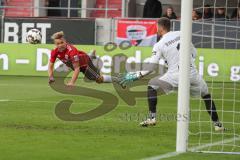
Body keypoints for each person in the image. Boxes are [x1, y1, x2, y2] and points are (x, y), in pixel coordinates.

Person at [118, 17, 225, 131]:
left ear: (161, 27)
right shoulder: (181, 33)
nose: (156, 29)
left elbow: (151, 67)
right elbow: (194, 53)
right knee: (206, 96)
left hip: (175, 75)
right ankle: (217, 125)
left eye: (157, 26)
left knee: (152, 85)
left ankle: (152, 118)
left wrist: (135, 76)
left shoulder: (159, 44)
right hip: (192, 73)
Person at [48, 31, 113, 86]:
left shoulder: (71, 51)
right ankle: (91, 55)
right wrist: (51, 77)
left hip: (85, 63)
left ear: (65, 42)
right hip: (79, 60)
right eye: (58, 44)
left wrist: (72, 82)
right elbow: (50, 66)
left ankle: (119, 80)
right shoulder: (54, 52)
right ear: (55, 44)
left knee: (99, 80)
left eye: (62, 42)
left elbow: (77, 68)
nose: (60, 45)